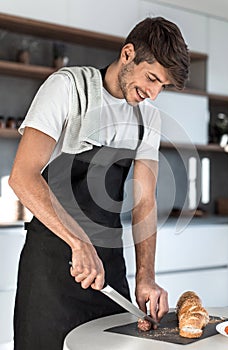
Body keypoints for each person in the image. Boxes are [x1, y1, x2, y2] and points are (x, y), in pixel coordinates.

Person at [9, 16, 190, 350]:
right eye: (151, 78)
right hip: (50, 264)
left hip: (108, 266)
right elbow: (23, 176)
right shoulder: (68, 88)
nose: (152, 94)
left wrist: (145, 276)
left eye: (161, 87)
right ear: (127, 54)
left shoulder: (146, 117)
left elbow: (144, 200)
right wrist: (79, 243)